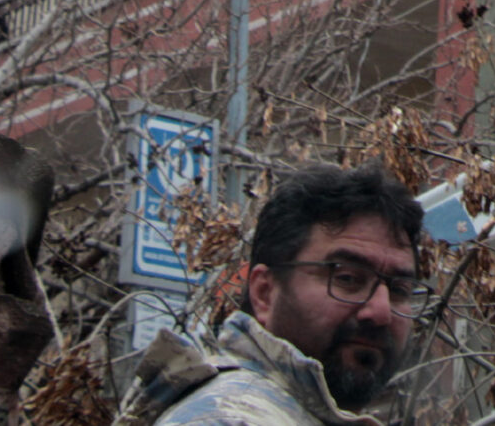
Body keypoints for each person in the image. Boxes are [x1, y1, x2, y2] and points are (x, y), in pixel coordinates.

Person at [120, 163, 427, 425]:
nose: (381, 310)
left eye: (399, 290)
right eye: (347, 278)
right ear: (265, 293)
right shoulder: (232, 417)